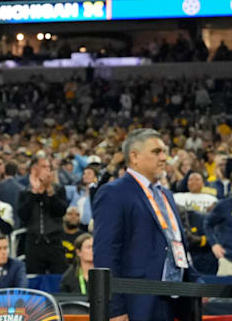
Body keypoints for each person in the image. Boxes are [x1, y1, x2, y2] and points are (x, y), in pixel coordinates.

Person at [92, 129, 197, 321]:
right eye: (156, 152)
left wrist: (194, 280)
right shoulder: (113, 193)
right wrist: (115, 308)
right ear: (134, 157)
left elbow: (177, 243)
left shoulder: (166, 195)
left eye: (165, 151)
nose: (164, 158)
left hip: (174, 300)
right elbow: (106, 253)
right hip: (137, 303)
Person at [18, 152, 69, 274]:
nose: (47, 170)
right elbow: (23, 216)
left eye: (49, 167)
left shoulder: (58, 189)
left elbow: (60, 211)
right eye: (43, 167)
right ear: (34, 169)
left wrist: (49, 191)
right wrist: (34, 192)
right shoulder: (25, 192)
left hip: (54, 243)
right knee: (34, 282)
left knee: (58, 280)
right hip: (33, 244)